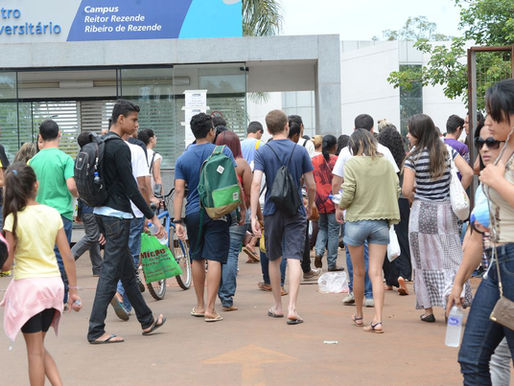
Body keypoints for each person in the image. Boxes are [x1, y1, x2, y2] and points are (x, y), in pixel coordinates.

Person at [451, 79, 514, 384]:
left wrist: (499, 181)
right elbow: (478, 234)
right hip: (498, 267)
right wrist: (458, 283)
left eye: (494, 114)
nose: (488, 122)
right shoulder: (500, 154)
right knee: (472, 357)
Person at [88, 99, 166, 344]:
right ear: (120, 119)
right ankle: (95, 330)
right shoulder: (120, 148)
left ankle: (146, 320)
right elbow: (132, 188)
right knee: (110, 273)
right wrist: (152, 216)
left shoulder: (100, 144)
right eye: (133, 119)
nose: (136, 124)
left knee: (127, 273)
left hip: (102, 212)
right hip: (117, 217)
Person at [0, 163, 82, 385]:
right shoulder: (52, 214)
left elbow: (6, 264)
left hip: (29, 291)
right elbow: (67, 256)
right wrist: (73, 291)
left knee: (34, 351)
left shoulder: (12, 219)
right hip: (53, 288)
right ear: (36, 185)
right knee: (39, 346)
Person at [402, 113, 473, 323]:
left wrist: (416, 195)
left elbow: (406, 189)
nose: (407, 135)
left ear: (418, 133)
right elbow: (468, 173)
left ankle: (428, 310)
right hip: (445, 212)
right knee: (450, 259)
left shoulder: (412, 157)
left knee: (423, 262)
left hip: (421, 212)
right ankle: (452, 305)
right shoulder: (448, 151)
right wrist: (456, 193)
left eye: (410, 131)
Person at [174, 113, 243, 323]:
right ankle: (211, 309)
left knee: (197, 257)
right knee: (214, 258)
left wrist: (178, 221)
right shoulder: (223, 151)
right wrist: (241, 210)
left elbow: (179, 192)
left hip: (194, 212)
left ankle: (199, 304)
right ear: (212, 131)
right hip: (218, 212)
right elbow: (235, 183)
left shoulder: (183, 158)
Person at [251, 109, 316, 324]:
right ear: (287, 126)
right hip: (295, 209)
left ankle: (278, 306)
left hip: (271, 210)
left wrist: (253, 214)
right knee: (294, 258)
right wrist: (310, 205)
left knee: (274, 257)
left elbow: (256, 183)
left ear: (268, 129)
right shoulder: (300, 151)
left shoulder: (263, 151)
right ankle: (293, 308)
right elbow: (311, 184)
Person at [335, 129, 400, 333]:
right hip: (380, 222)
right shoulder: (386, 163)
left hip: (356, 222)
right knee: (376, 273)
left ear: (354, 145)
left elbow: (349, 191)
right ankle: (378, 319)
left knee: (358, 272)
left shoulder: (352, 162)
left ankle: (359, 314)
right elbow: (396, 188)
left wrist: (341, 205)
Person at [29, 120, 78, 304]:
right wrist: (78, 195)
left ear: (40, 137)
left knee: (42, 254)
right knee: (62, 255)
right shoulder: (65, 159)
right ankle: (62, 298)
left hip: (38, 213)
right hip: (61, 214)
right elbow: (71, 185)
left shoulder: (33, 160)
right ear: (59, 134)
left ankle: (43, 296)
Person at [112, 125, 153, 320]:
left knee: (120, 253)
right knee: (132, 255)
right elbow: (142, 184)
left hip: (114, 211)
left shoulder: (109, 148)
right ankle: (122, 297)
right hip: (134, 211)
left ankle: (118, 293)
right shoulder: (136, 151)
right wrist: (147, 210)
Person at [215, 131, 251, 311]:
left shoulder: (212, 161)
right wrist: (247, 211)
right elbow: (248, 192)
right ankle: (227, 298)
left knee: (217, 254)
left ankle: (215, 293)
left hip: (216, 211)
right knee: (231, 253)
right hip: (237, 211)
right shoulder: (241, 164)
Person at [378, 126, 411, 295]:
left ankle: (391, 279)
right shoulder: (406, 159)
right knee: (403, 236)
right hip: (403, 201)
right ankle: (404, 274)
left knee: (386, 238)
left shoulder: (381, 158)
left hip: (386, 200)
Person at [288, 120, 320, 281]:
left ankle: (275, 279)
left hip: (275, 200)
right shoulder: (302, 150)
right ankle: (305, 269)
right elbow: (310, 181)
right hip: (298, 197)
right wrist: (311, 201)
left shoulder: (269, 148)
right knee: (301, 235)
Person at [71, 132, 103, 277]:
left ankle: (98, 268)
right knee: (92, 236)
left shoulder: (81, 159)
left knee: (94, 237)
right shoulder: (91, 160)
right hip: (90, 206)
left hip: (84, 205)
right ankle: (69, 258)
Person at [312, 135, 342, 271]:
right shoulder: (337, 160)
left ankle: (318, 252)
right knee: (334, 232)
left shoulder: (313, 160)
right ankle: (331, 263)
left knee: (322, 228)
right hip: (333, 200)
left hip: (319, 201)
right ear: (334, 146)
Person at [138, 128, 163, 197]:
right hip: (151, 194)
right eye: (155, 137)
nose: (156, 139)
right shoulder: (155, 156)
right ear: (151, 139)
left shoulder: (137, 153)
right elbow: (157, 178)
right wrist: (161, 197)